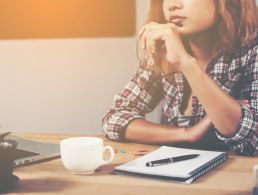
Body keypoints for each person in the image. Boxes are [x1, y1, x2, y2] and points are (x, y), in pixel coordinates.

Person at [102, 0, 258, 156]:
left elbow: (255, 142)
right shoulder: (165, 49)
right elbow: (115, 118)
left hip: (236, 176)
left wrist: (185, 63)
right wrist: (186, 134)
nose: (172, 5)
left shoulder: (252, 49)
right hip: (174, 175)